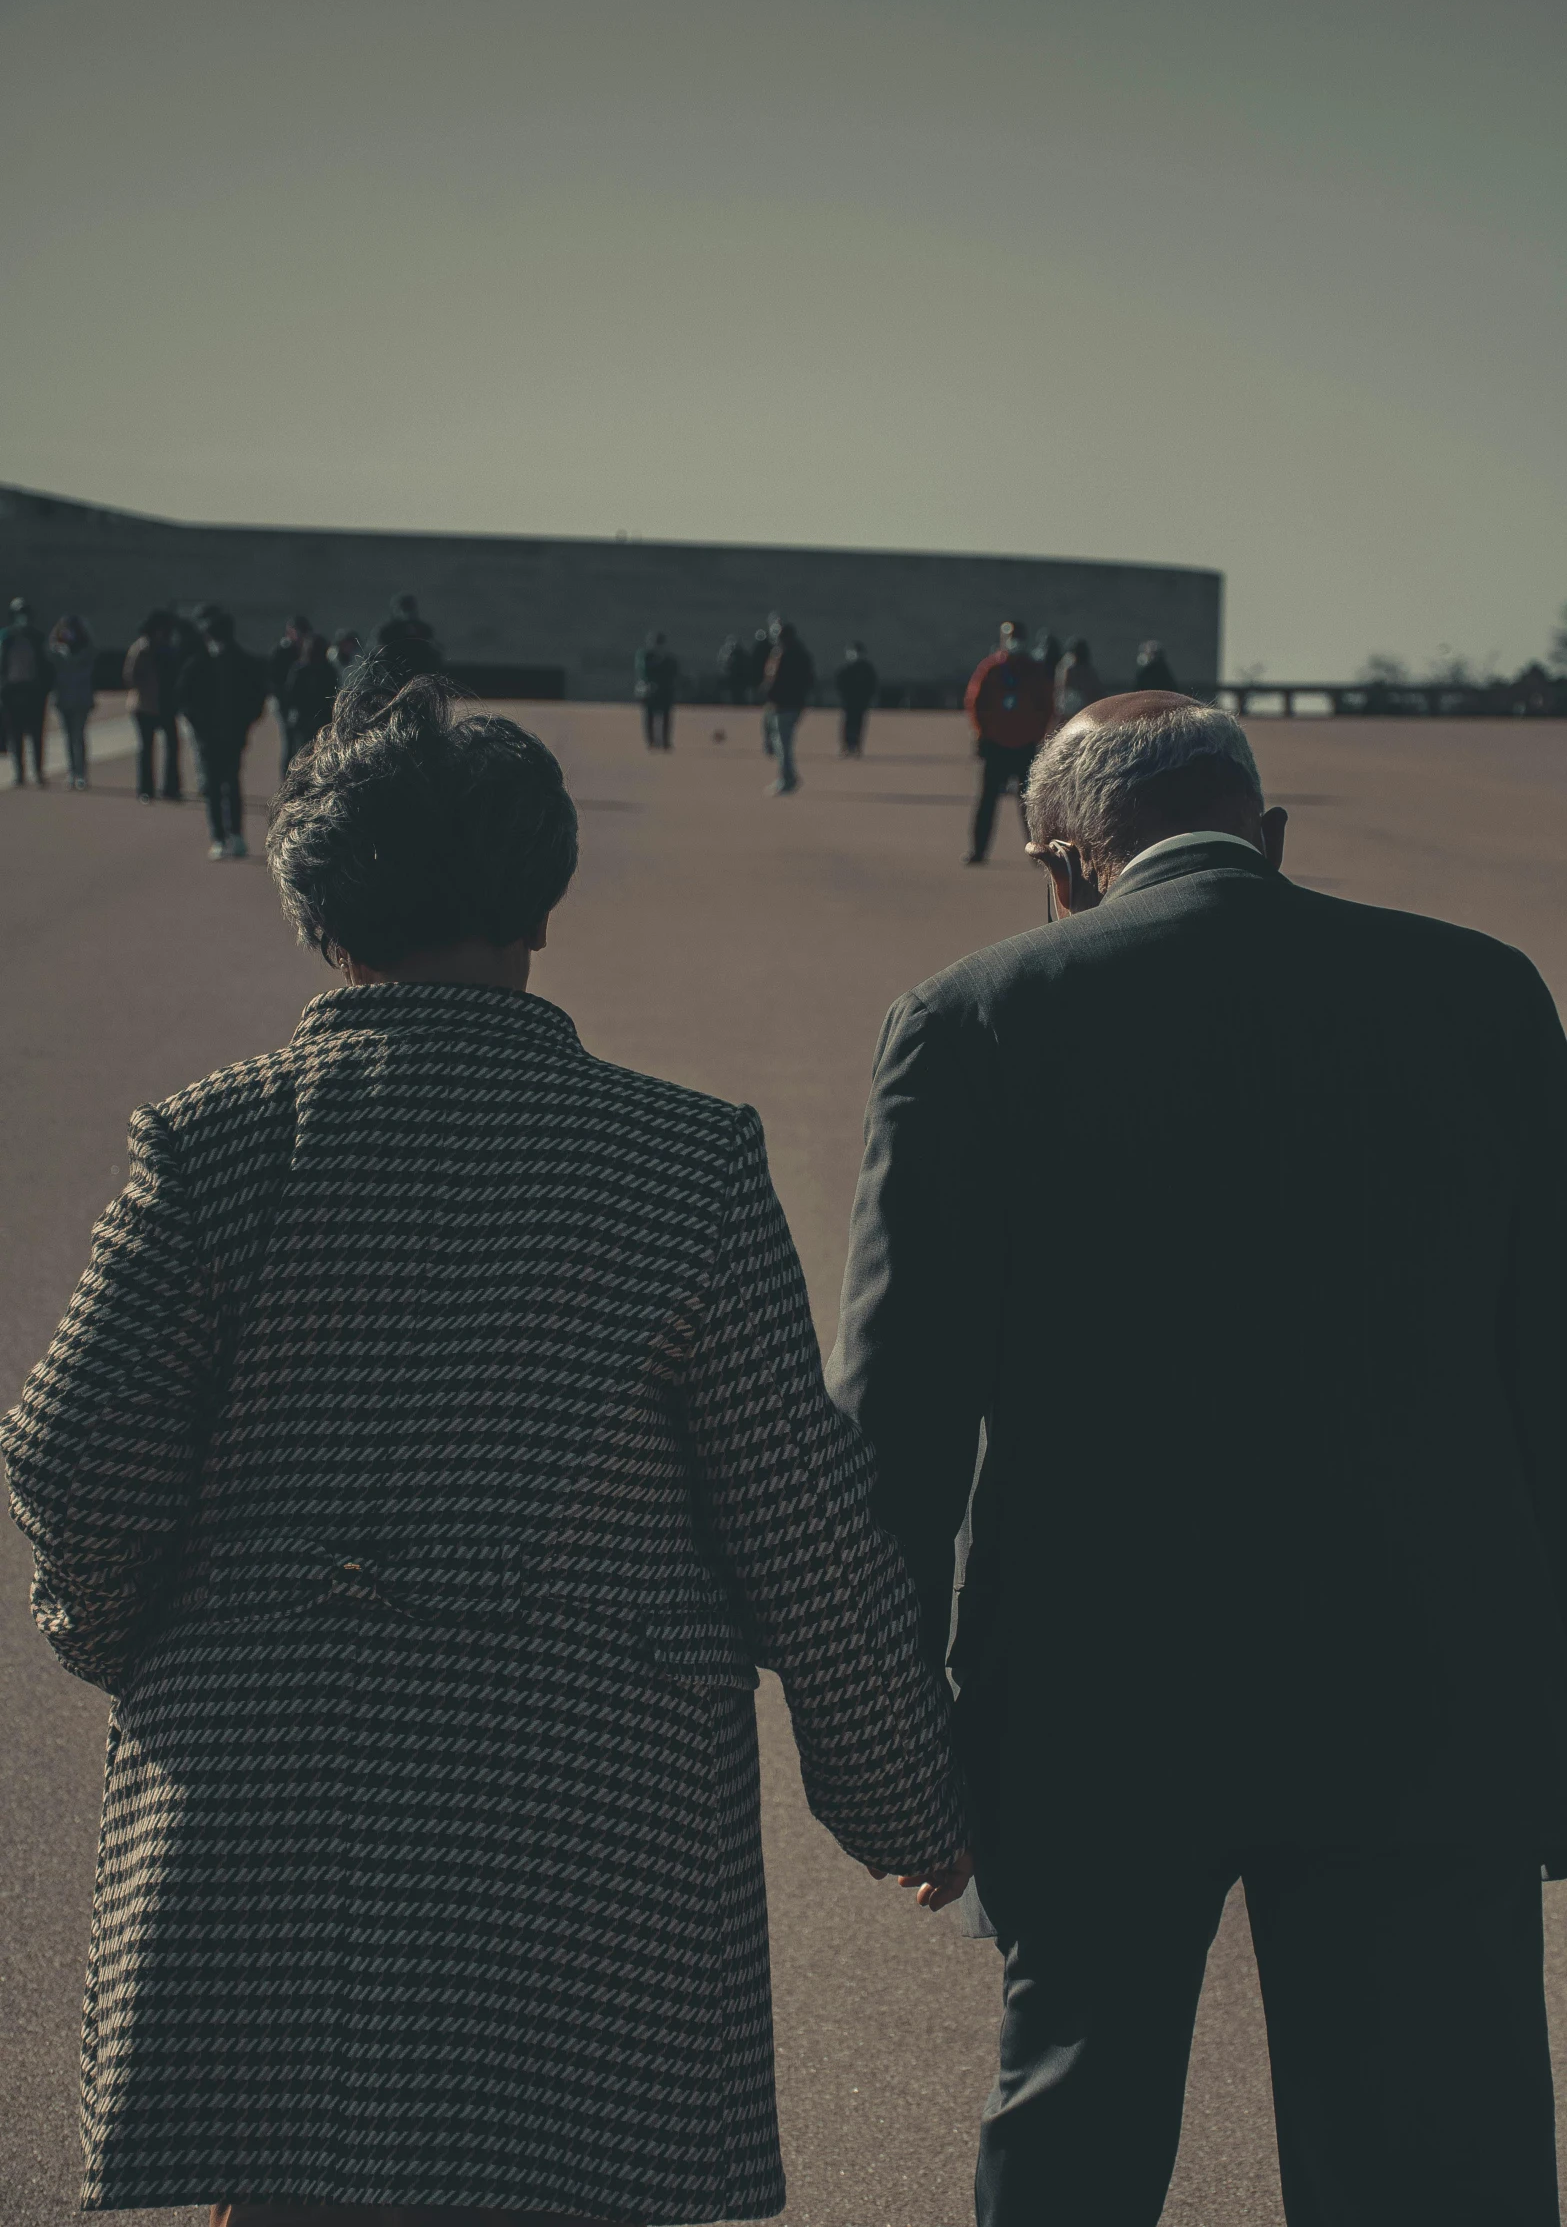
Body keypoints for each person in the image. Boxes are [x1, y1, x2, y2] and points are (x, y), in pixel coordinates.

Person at [1, 662, 966, 2227]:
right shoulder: (684, 1162)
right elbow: (802, 1525)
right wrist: (906, 1805)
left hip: (263, 1811)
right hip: (582, 1830)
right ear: (540, 902)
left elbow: (67, 1461)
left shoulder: (214, 1137)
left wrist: (163, 1643)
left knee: (295, 2188)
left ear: (314, 907)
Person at [828, 689, 1567, 2227]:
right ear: (1268, 833)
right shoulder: (1480, 995)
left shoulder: (974, 1017)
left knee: (1077, 2137)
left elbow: (895, 1431)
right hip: (1426, 1692)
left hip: (1097, 1695)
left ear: (1056, 862)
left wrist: (893, 1760)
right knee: (1436, 2162)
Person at [176, 606, 268, 858]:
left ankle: (232, 836)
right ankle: (221, 836)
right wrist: (199, 725)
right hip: (211, 736)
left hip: (230, 735)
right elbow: (185, 699)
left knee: (228, 785)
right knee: (218, 787)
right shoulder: (198, 664)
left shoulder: (240, 663)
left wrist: (244, 724)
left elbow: (256, 698)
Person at [961, 621, 1055, 864]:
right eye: (1010, 638)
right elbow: (975, 701)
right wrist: (982, 732)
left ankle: (1038, 854)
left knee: (1030, 804)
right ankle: (979, 851)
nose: (1015, 644)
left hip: (1024, 746)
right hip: (995, 745)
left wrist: (1037, 733)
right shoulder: (991, 668)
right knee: (987, 802)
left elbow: (1047, 704)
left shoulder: (1034, 671)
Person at [123, 609, 185, 803]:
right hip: (144, 706)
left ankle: (171, 788)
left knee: (173, 746)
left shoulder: (169, 648)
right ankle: (146, 789)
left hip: (166, 705)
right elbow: (130, 676)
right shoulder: (141, 649)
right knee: (146, 749)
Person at [1, 597, 51, 786]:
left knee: (36, 734)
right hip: (12, 691)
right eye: (18, 614)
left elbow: (45, 666)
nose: (22, 618)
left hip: (32, 691)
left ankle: (38, 771)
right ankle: (19, 773)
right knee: (15, 735)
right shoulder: (6, 639)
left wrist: (44, 688)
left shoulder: (36, 638)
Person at [761, 620, 815, 793]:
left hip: (782, 704)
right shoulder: (802, 654)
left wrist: (769, 694)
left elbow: (774, 680)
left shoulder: (782, 654)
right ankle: (788, 776)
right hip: (795, 704)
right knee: (784, 743)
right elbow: (809, 680)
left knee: (782, 744)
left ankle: (787, 779)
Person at [48, 614, 96, 789]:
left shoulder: (85, 650)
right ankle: (72, 772)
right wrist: (57, 633)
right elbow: (48, 649)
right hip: (63, 699)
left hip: (81, 700)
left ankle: (81, 773)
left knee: (78, 736)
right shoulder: (58, 651)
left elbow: (91, 650)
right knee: (68, 738)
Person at [280, 632, 340, 764]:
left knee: (301, 755)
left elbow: (289, 695)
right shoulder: (328, 670)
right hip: (321, 719)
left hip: (304, 719)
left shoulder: (300, 670)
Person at [268, 613, 314, 780]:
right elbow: (273, 679)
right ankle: (287, 779)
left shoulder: (308, 650)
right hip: (283, 702)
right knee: (289, 740)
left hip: (299, 703)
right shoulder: (282, 651)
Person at [633, 629, 679, 749]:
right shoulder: (645, 656)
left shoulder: (670, 659)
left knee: (666, 717)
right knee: (649, 716)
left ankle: (665, 741)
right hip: (650, 690)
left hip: (665, 690)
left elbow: (674, 673)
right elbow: (643, 671)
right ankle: (651, 741)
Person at [836, 641, 878, 755]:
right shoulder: (845, 668)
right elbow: (839, 684)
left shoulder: (867, 669)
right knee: (847, 724)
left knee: (859, 724)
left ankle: (856, 746)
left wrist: (868, 698)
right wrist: (844, 696)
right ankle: (846, 746)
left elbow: (872, 685)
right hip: (848, 702)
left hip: (861, 702)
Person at [1053, 635, 1102, 720]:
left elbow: (1096, 692)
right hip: (1067, 711)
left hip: (1086, 711)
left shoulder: (1088, 671)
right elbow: (1061, 690)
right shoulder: (1067, 667)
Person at [374, 590, 439, 653]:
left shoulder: (424, 629)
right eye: (404, 609)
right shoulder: (385, 630)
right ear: (396, 610)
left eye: (409, 608)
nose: (406, 613)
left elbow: (432, 648)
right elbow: (376, 650)